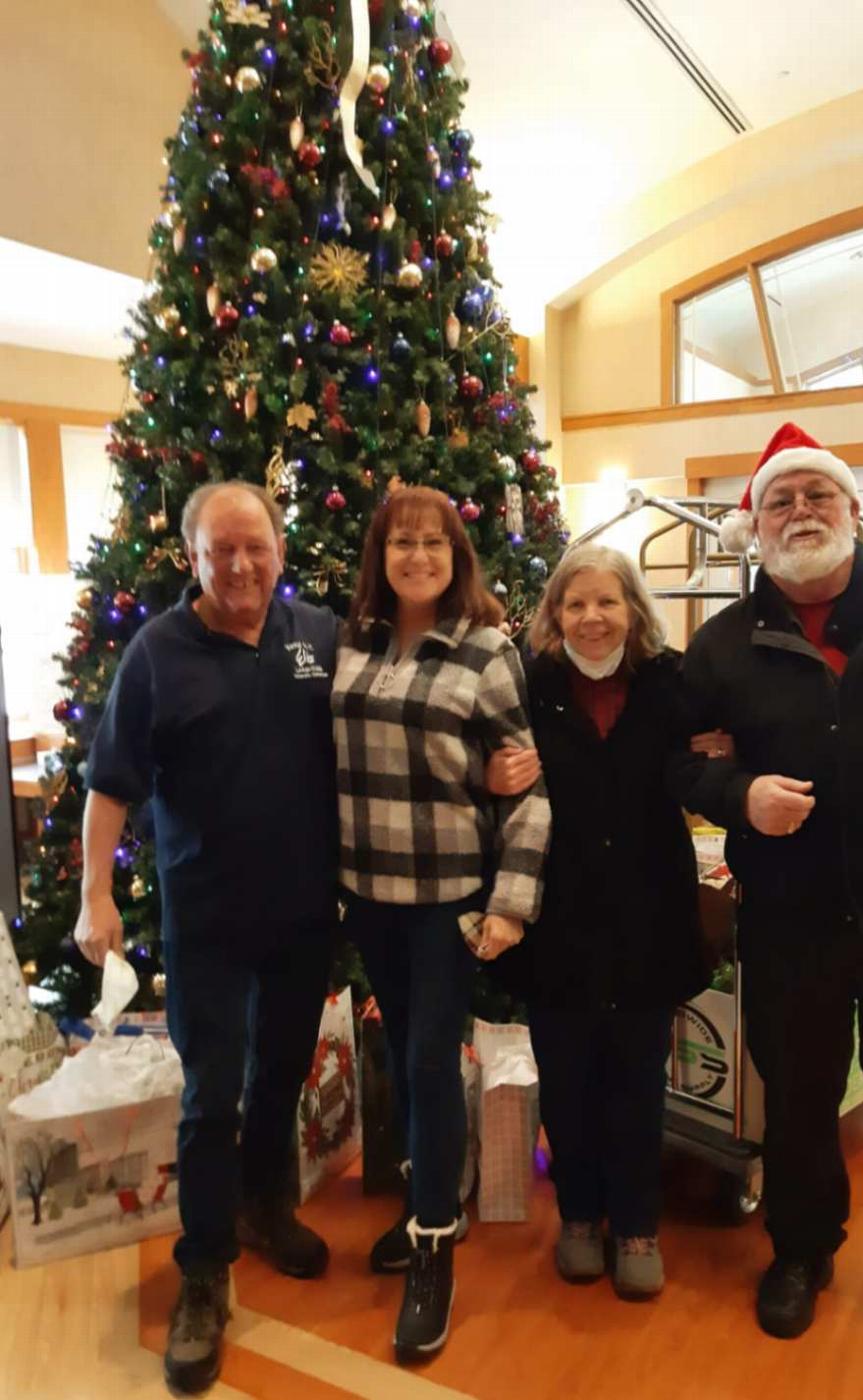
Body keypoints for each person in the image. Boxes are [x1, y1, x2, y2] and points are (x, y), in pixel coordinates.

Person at [672, 421, 863, 1366]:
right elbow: (680, 763)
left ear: (852, 511)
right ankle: (800, 1252)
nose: (799, 511)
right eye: (779, 499)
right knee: (798, 1101)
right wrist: (738, 796)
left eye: (817, 495)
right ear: (754, 525)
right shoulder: (721, 645)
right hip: (789, 920)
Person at [74, 482, 339, 1396]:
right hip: (209, 915)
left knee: (282, 1073)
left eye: (254, 547)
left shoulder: (318, 636)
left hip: (304, 909)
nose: (240, 565)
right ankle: (203, 1268)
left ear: (279, 549)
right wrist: (94, 895)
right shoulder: (158, 652)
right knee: (210, 1093)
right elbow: (110, 783)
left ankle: (264, 1207)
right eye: (220, 549)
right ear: (192, 557)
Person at [331, 485, 550, 1363]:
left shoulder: (486, 649)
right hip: (366, 893)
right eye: (401, 543)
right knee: (405, 1058)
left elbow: (528, 789)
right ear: (379, 557)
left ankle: (431, 1246)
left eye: (434, 543)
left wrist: (510, 903)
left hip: (447, 897)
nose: (417, 556)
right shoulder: (352, 641)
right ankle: (435, 1202)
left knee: (428, 1060)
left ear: (457, 556)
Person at [486, 545, 710, 1299]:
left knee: (639, 1081)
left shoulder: (672, 680)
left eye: (607, 601)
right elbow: (487, 767)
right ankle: (580, 1216)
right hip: (558, 916)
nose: (591, 617)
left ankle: (637, 1224)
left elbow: (711, 753)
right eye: (575, 603)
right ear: (554, 613)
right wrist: (490, 774)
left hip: (649, 915)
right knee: (568, 1082)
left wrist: (728, 750)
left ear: (633, 610)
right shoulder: (529, 685)